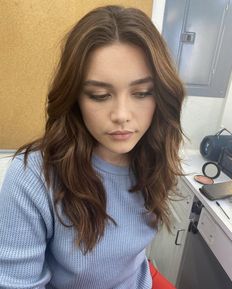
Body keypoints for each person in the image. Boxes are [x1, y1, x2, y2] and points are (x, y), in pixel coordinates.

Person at [0, 5, 184, 289]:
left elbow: (130, 260)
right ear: (75, 97)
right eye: (100, 95)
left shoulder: (153, 155)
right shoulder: (32, 178)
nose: (122, 114)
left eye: (142, 93)